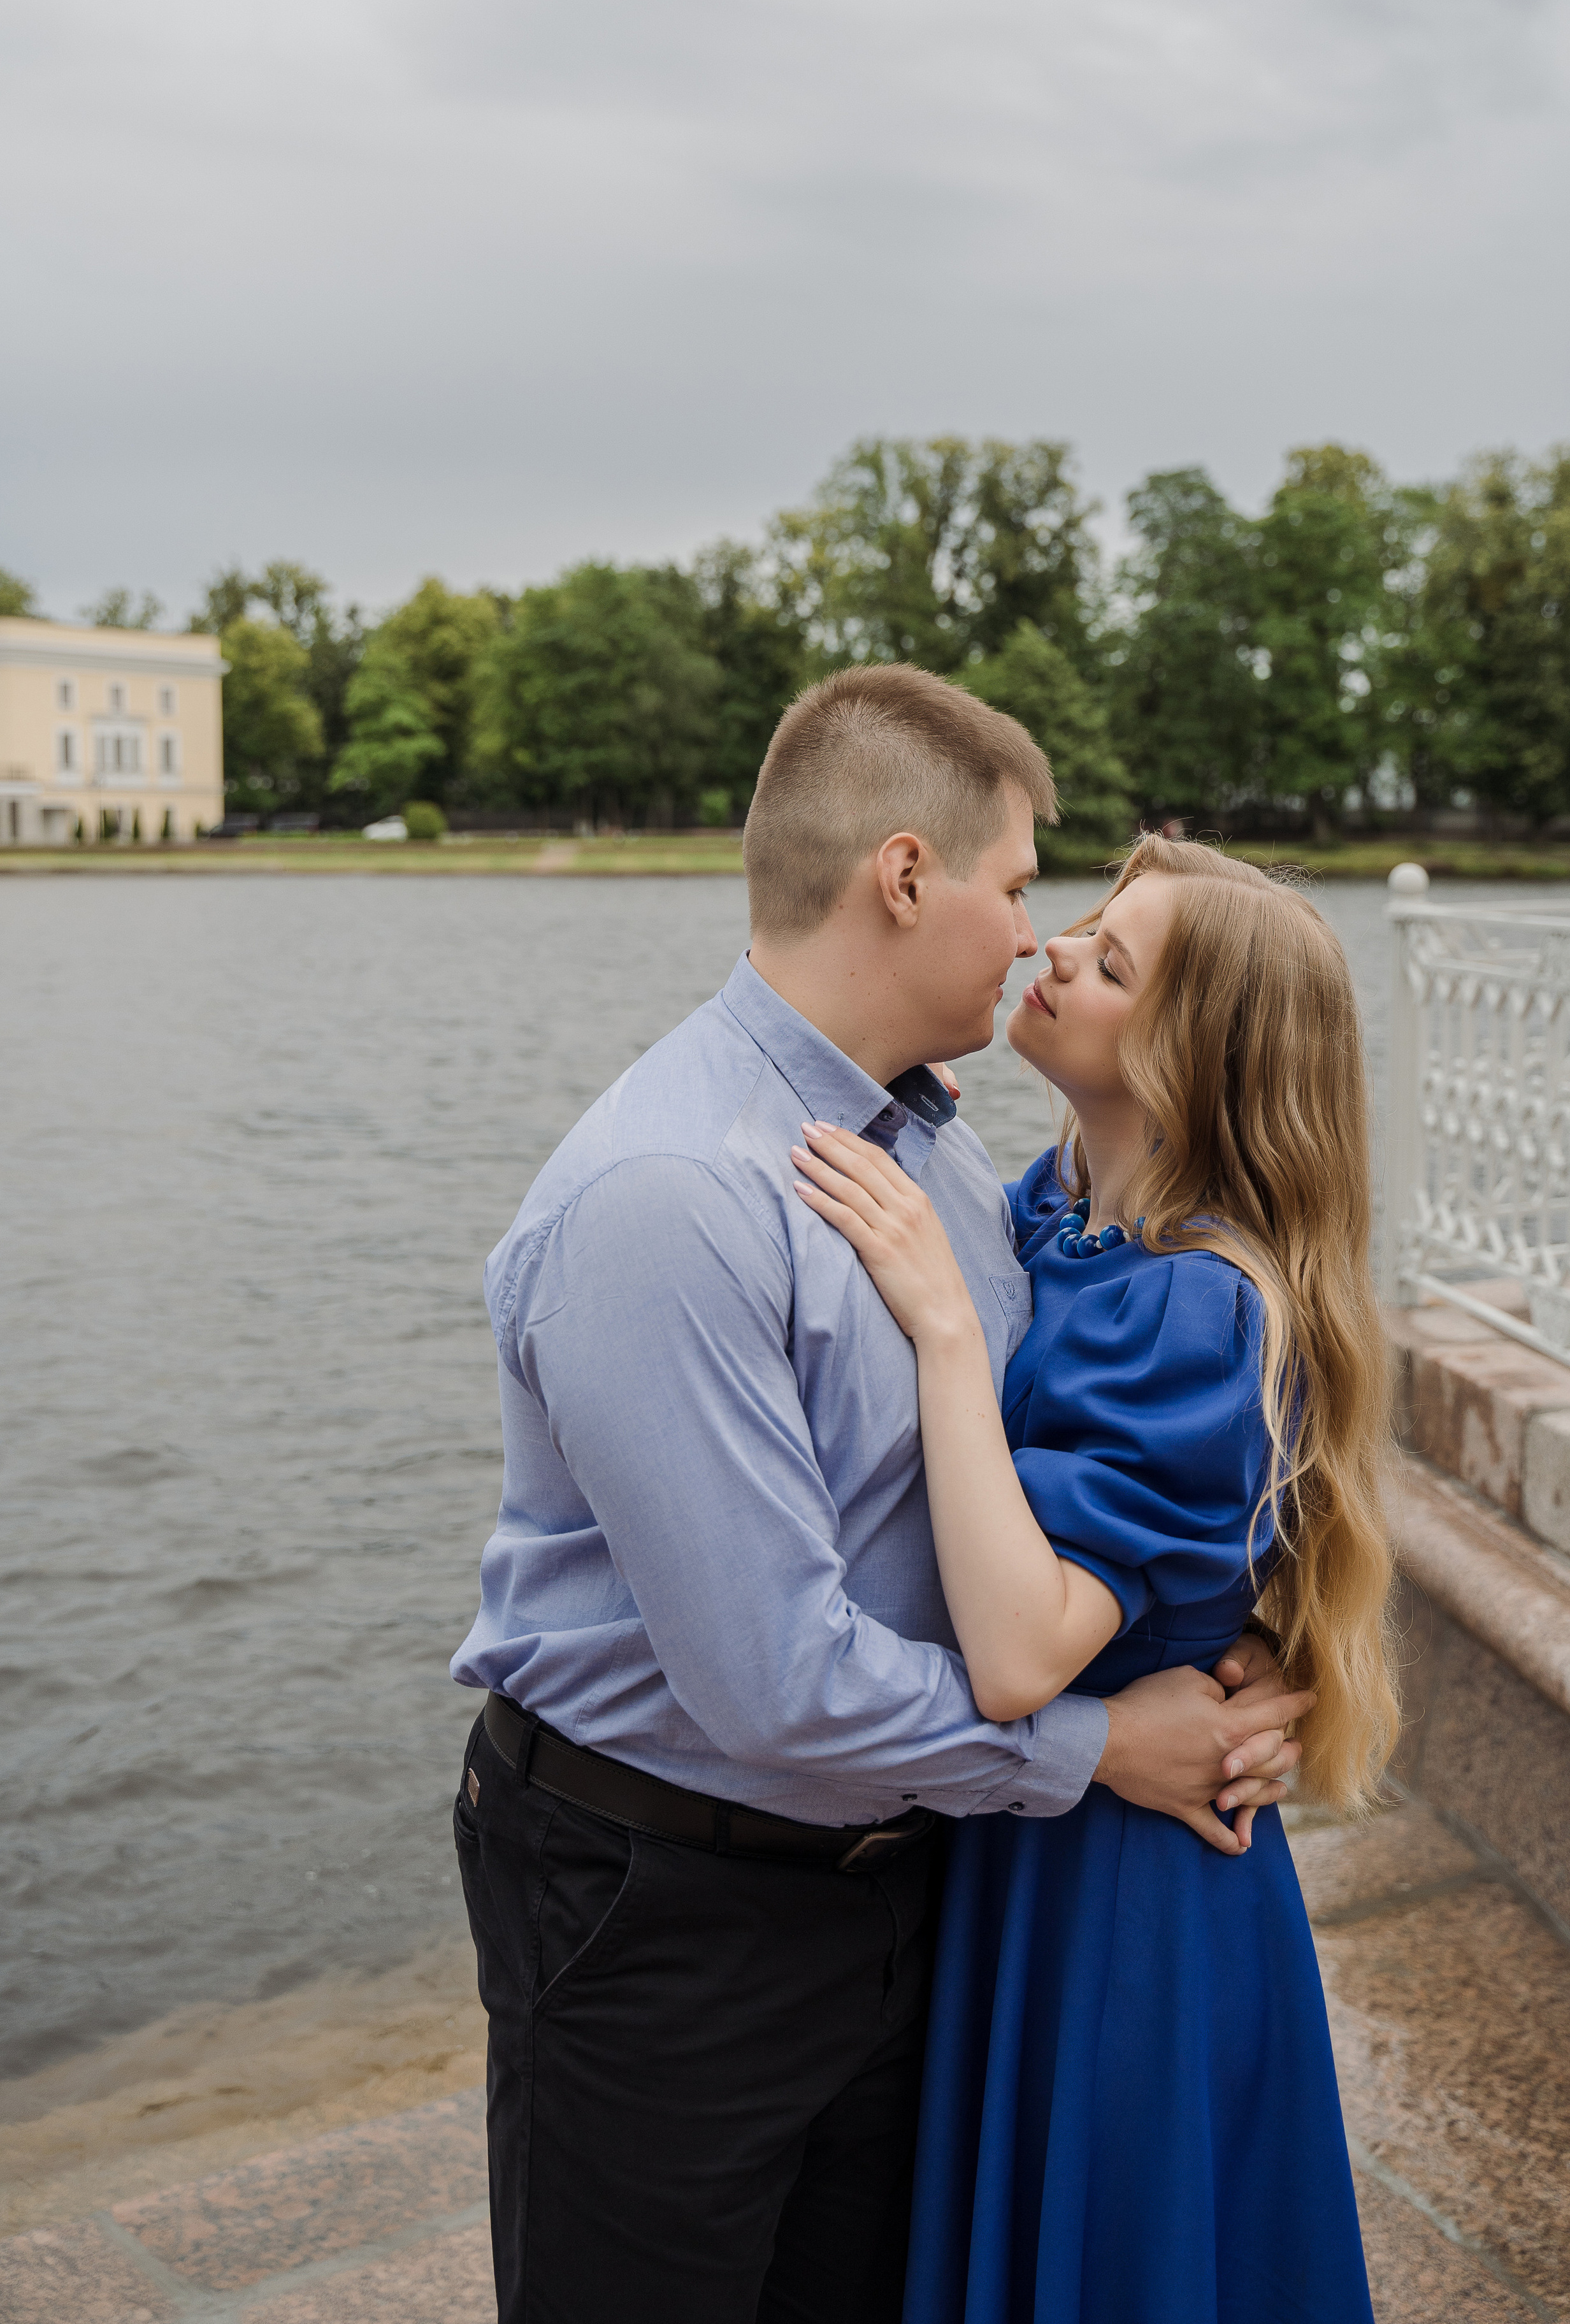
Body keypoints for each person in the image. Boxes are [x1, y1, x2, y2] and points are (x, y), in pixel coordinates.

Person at [450, 668, 1311, 2324]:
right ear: (907, 879)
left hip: (912, 1880)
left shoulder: (943, 1165)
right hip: (665, 1905)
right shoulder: (674, 1199)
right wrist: (1100, 1748)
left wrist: (1238, 1640)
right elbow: (773, 1683)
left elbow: (1142, 1428)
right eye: (1013, 888)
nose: (1031, 936)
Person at [792, 834, 1395, 2323]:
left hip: (1122, 1898)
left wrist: (939, 1324)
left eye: (1110, 962)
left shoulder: (1194, 1304)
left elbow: (1018, 1656)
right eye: (1075, 925)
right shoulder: (1058, 1205)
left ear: (1197, 1063)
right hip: (1043, 1832)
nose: (1051, 953)